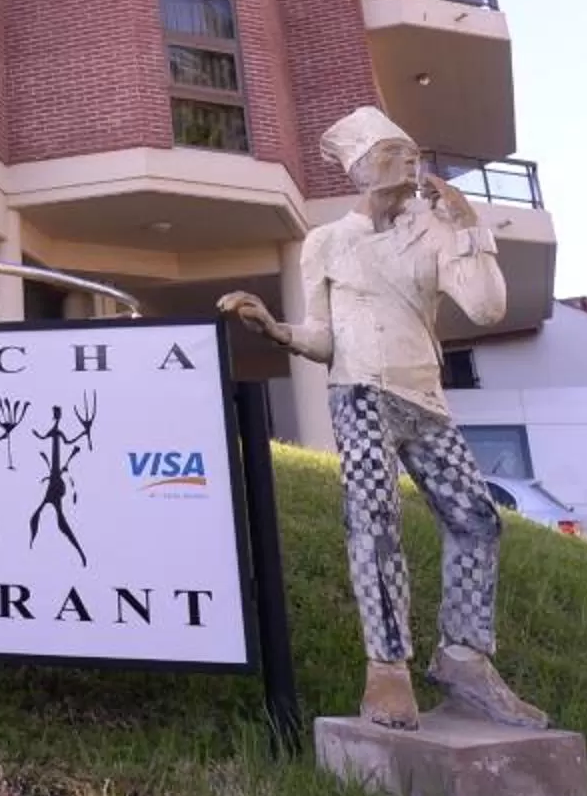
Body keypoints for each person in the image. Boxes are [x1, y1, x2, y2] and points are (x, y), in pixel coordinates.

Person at [221, 105, 546, 732]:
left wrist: (467, 227)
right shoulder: (327, 243)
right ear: (363, 169)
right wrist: (276, 328)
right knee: (373, 519)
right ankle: (386, 669)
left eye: (411, 150)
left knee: (477, 520)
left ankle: (465, 658)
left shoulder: (433, 231)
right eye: (395, 152)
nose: (410, 159)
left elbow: (485, 307)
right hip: (360, 394)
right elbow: (323, 338)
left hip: (425, 398)